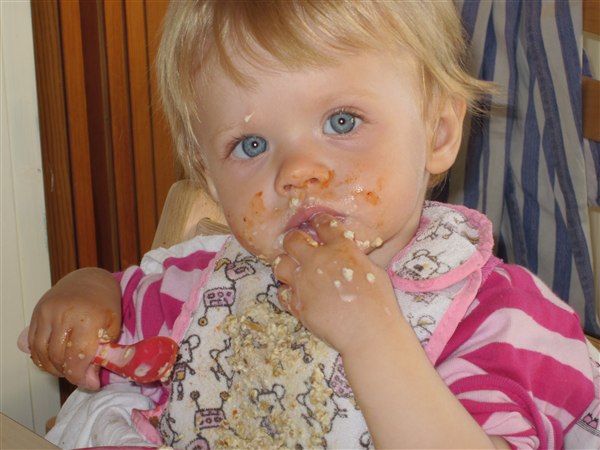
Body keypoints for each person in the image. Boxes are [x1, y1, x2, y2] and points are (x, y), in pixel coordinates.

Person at [22, 1, 599, 449]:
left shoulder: (501, 321)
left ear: (439, 132)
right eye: (251, 144)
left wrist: (372, 336)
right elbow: (120, 310)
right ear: (210, 178)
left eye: (342, 121)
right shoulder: (199, 284)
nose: (297, 172)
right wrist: (84, 293)